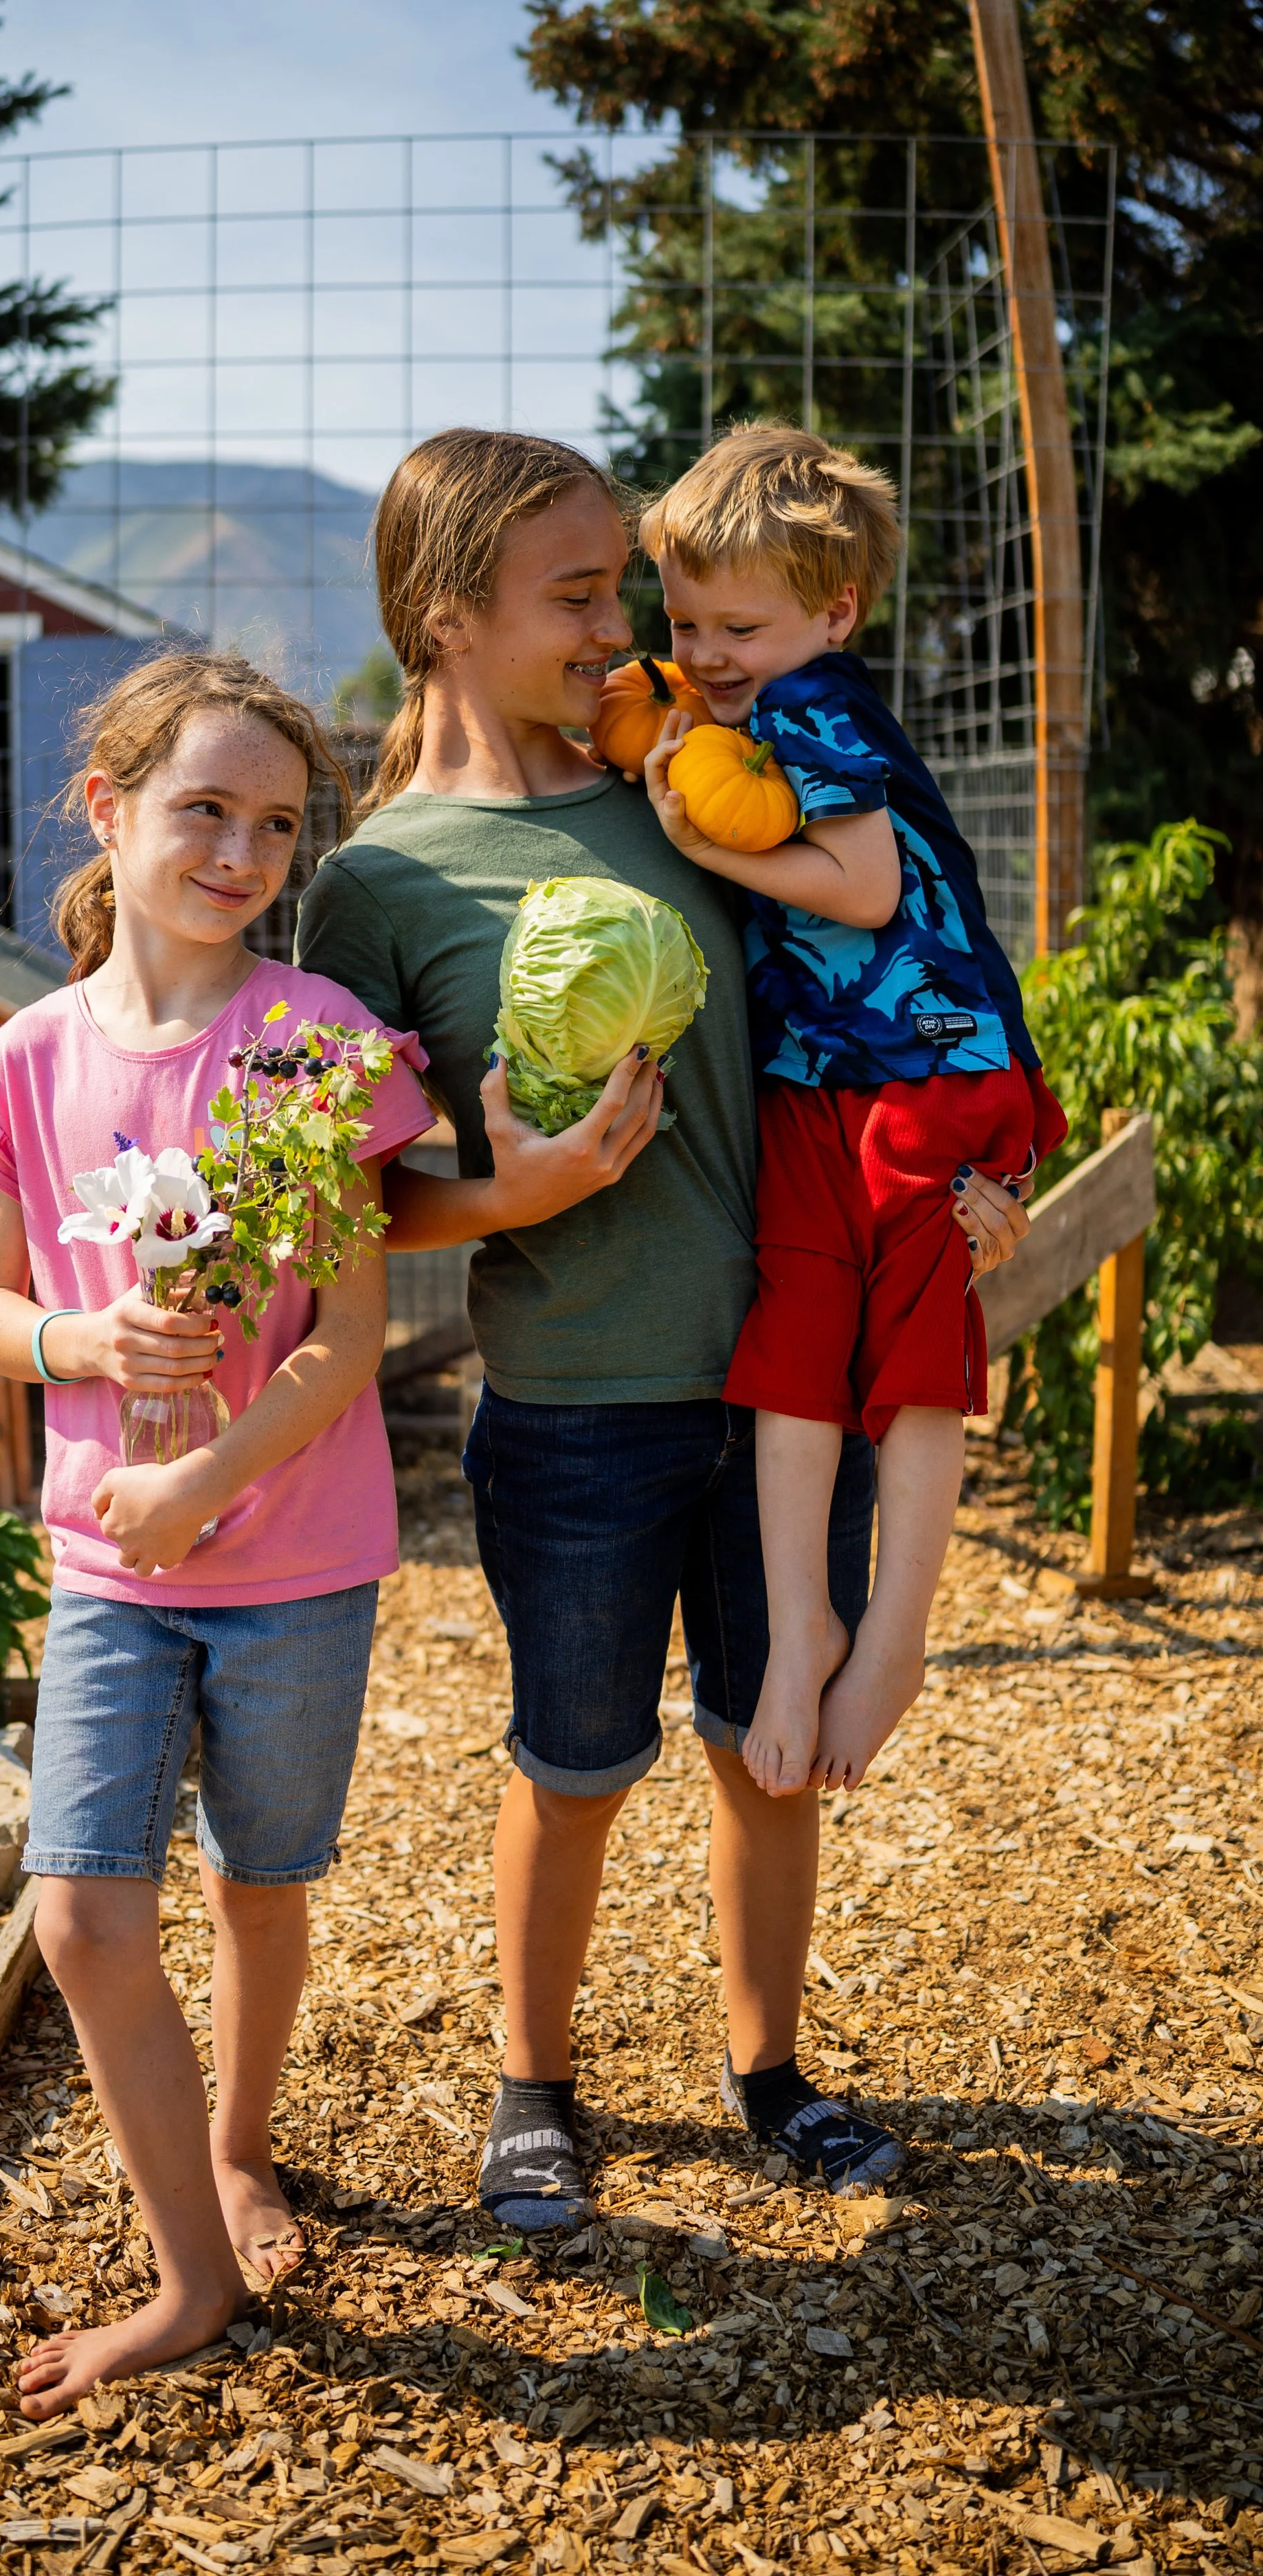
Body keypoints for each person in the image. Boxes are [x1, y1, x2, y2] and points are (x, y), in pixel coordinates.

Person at [296, 427, 1033, 2215]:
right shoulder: (376, 883)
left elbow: (860, 987)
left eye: (623, 584)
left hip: (787, 1370)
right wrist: (513, 1197)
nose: (623, 627)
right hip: (575, 1389)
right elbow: (347, 1208)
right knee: (571, 1762)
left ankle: (766, 2066)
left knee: (761, 1751)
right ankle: (531, 2083)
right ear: (444, 616)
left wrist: (958, 1163)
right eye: (578, 593)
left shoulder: (688, 786)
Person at [0, 650, 434, 2408]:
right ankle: (193, 2277)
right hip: (105, 1571)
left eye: (275, 823)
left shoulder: (310, 1045)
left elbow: (355, 1340)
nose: (239, 849)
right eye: (202, 809)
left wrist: (200, 1479)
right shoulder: (23, 1058)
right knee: (80, 1918)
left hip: (294, 1566)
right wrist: (81, 1344)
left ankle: (236, 2148)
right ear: (110, 811)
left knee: (260, 1884)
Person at [619, 422, 1066, 1805]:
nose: (703, 650)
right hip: (822, 1079)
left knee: (908, 1349)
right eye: (685, 620)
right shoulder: (746, 707)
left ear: (833, 612)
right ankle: (801, 1611)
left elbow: (864, 887)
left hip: (927, 1065)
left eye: (738, 623)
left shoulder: (819, 705)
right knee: (796, 1334)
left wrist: (694, 839)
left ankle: (891, 1632)